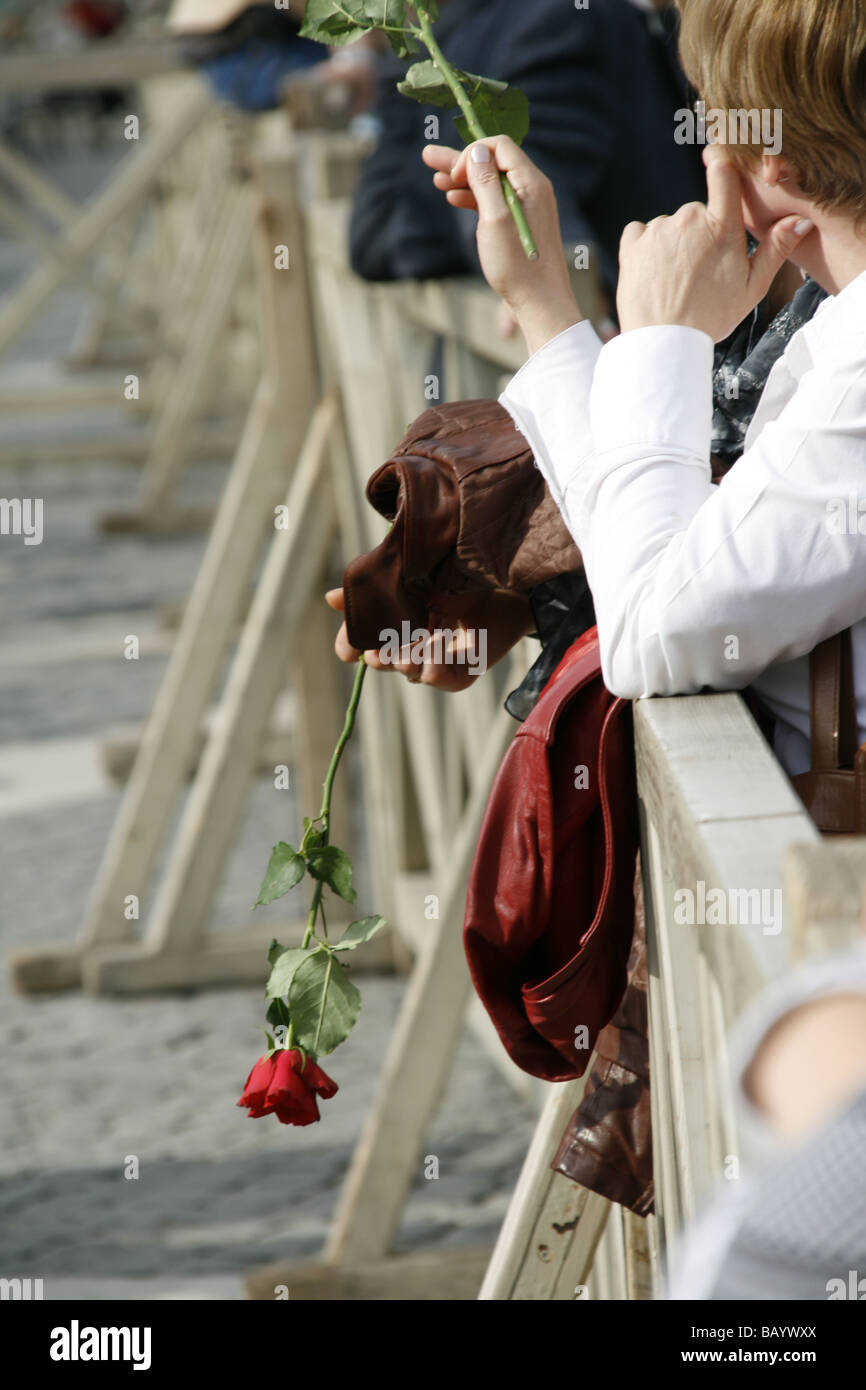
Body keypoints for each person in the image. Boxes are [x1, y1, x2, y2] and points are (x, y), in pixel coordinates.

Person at [413, 0, 866, 780]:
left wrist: (663, 336)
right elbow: (667, 556)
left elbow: (653, 634)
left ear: (775, 164)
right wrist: (546, 305)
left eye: (712, 115)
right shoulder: (831, 323)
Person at [348, 0, 706, 297]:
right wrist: (547, 284)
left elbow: (379, 231)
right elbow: (528, 160)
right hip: (624, 355)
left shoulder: (471, 19)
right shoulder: (570, 19)